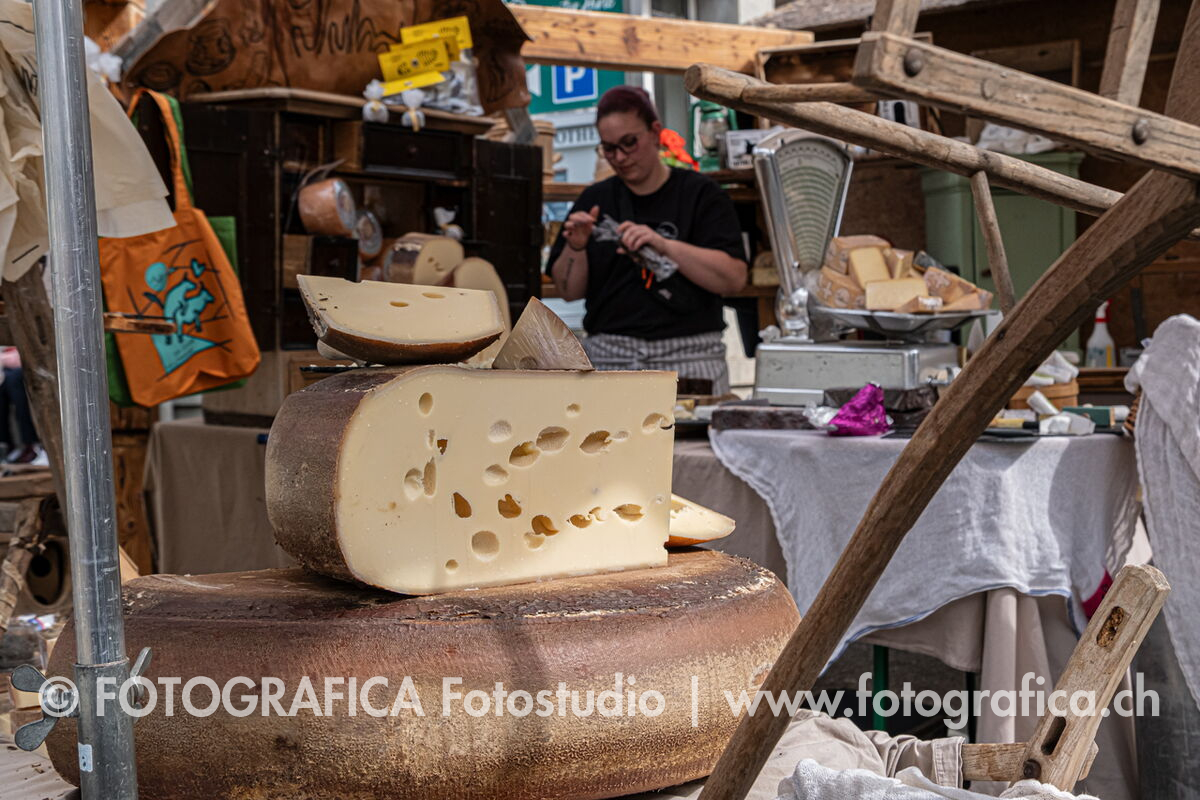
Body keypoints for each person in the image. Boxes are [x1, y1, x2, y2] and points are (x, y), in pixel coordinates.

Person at [547, 86, 748, 394]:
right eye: (609, 149)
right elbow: (568, 291)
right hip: (610, 357)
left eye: (629, 143)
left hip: (691, 356)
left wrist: (664, 245)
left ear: (655, 132)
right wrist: (576, 246)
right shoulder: (595, 199)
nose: (620, 157)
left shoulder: (700, 194)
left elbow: (733, 279)